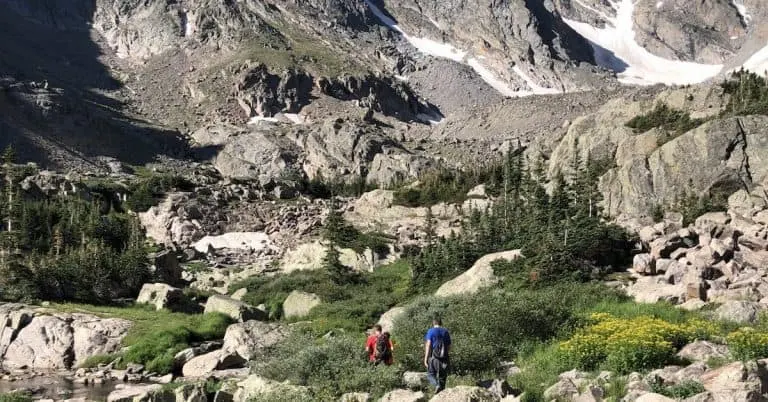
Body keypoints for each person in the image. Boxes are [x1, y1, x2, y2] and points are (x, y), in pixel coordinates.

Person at [424, 317, 451, 393]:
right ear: (441, 323)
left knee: (430, 374)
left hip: (434, 358)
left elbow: (428, 345)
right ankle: (442, 395)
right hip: (444, 359)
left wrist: (426, 358)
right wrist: (444, 354)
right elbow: (449, 346)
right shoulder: (445, 331)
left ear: (433, 323)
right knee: (442, 377)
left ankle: (436, 385)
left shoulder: (431, 331)